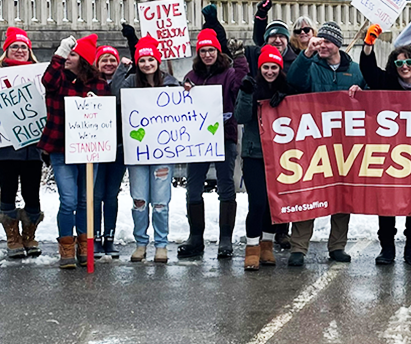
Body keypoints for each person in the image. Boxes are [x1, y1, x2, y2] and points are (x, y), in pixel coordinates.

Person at [285, 21, 367, 267]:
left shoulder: (354, 69)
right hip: (313, 140)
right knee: (307, 191)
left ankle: (337, 246)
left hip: (344, 143)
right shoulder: (310, 64)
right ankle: (298, 247)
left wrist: (360, 91)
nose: (322, 45)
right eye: (320, 41)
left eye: (327, 42)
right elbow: (295, 81)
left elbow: (369, 96)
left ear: (338, 45)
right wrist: (307, 53)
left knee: (341, 194)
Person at [359, 31, 411, 266]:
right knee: (386, 203)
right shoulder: (387, 83)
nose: (405, 66)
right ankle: (387, 249)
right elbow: (368, 71)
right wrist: (368, 45)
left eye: (409, 62)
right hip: (389, 154)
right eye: (400, 62)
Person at [0, 16, 45, 259]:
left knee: (32, 192)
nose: (20, 50)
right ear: (7, 51)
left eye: (24, 47)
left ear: (29, 51)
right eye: (15, 46)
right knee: (8, 189)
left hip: (33, 145)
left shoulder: (39, 76)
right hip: (4, 145)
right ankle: (12, 237)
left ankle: (29, 235)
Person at [39, 34, 110, 269]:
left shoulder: (99, 85)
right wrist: (60, 52)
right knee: (68, 200)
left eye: (72, 54)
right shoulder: (58, 80)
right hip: (60, 148)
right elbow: (47, 80)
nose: (67, 58)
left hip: (90, 151)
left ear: (85, 60)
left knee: (84, 200)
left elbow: (107, 117)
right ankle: (66, 247)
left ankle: (84, 245)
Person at [180, 28, 247, 259]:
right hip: (197, 140)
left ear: (218, 52)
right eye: (204, 50)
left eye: (212, 50)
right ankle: (195, 236)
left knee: (226, 185)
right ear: (198, 53)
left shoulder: (228, 73)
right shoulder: (191, 75)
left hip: (224, 136)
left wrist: (240, 61)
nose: (208, 54)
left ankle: (225, 238)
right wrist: (184, 91)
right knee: (193, 187)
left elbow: (240, 88)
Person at [112, 34, 179, 264]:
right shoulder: (131, 82)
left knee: (160, 203)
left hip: (163, 153)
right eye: (142, 60)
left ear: (157, 61)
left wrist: (188, 91)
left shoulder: (170, 82)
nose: (147, 64)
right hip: (138, 153)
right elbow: (115, 96)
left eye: (151, 59)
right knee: (139, 201)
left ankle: (161, 245)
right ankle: (141, 243)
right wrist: (122, 70)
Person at [235, 45, 294, 271]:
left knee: (272, 203)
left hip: (279, 153)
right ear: (260, 68)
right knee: (257, 201)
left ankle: (267, 244)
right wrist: (247, 93)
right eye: (266, 67)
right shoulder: (250, 85)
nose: (270, 71)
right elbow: (240, 116)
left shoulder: (286, 88)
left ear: (280, 68)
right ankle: (252, 247)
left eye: (274, 67)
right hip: (253, 153)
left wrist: (286, 99)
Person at [91, 43, 129, 258]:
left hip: (119, 146)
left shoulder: (127, 80)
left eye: (112, 59)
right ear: (96, 63)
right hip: (95, 146)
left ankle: (109, 238)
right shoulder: (90, 83)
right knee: (95, 195)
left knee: (111, 195)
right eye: (104, 59)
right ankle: (95, 237)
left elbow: (117, 94)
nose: (108, 63)